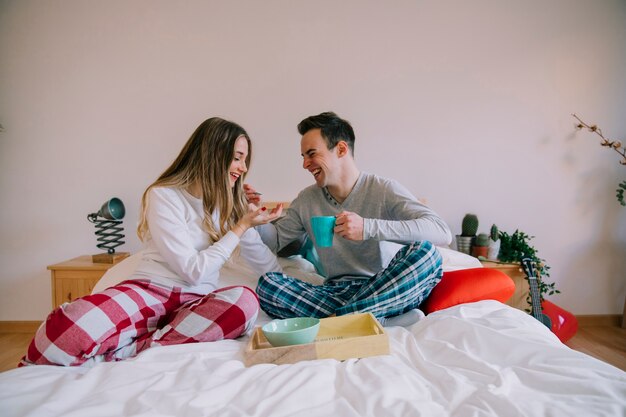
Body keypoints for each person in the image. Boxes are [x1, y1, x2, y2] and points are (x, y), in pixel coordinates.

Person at [21, 117, 283, 367]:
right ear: (213, 155)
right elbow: (194, 271)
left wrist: (293, 284)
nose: (244, 168)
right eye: (238, 158)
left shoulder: (230, 205)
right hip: (151, 291)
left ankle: (137, 349)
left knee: (245, 302)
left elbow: (264, 261)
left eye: (245, 160)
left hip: (196, 304)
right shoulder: (164, 195)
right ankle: (143, 344)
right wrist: (241, 226)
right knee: (63, 329)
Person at [253, 111, 452, 327]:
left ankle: (343, 321)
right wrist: (251, 217)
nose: (305, 164)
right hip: (336, 292)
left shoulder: (383, 189)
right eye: (303, 157)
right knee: (268, 285)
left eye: (311, 154)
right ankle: (379, 320)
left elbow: (441, 232)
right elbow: (275, 243)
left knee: (427, 255)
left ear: (341, 149)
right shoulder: (307, 199)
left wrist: (367, 227)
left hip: (386, 286)